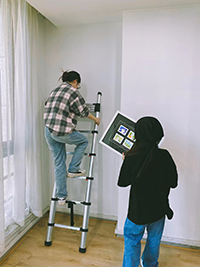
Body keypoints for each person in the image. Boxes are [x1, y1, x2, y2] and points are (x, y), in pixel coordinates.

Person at [117, 116, 178, 267]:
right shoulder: (165, 156)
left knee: (132, 241)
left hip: (137, 212)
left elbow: (123, 182)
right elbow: (174, 183)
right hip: (159, 210)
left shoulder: (132, 157)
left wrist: (126, 161)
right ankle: (150, 265)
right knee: (154, 242)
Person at [44, 70, 100, 205]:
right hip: (61, 131)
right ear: (75, 81)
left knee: (58, 163)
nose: (77, 87)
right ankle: (74, 168)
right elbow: (83, 112)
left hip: (48, 130)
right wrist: (96, 120)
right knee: (83, 141)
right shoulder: (73, 92)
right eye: (78, 85)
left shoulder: (54, 90)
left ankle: (61, 197)